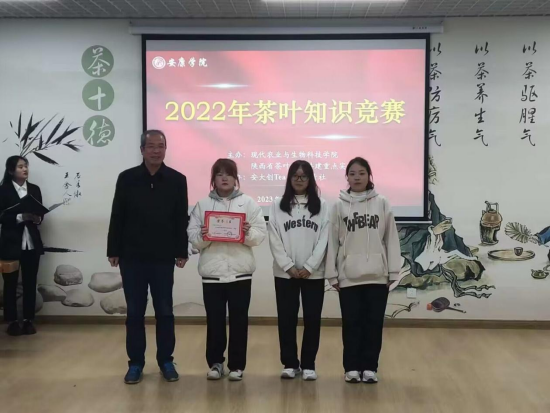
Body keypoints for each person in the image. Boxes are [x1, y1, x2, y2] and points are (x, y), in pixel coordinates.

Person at [107, 130, 189, 385]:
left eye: (160, 146)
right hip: (132, 257)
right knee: (134, 312)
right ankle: (135, 363)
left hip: (163, 257)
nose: (156, 151)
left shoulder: (177, 179)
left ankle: (166, 361)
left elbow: (180, 218)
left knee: (164, 311)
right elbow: (117, 214)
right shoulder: (127, 178)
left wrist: (181, 251)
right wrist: (113, 249)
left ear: (166, 149)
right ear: (142, 150)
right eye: (151, 146)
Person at [188, 159, 266, 382]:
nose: (224, 178)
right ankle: (216, 363)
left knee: (239, 321)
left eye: (229, 174)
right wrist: (204, 235)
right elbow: (193, 237)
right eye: (219, 174)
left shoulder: (248, 203)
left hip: (240, 273)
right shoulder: (202, 204)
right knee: (215, 322)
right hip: (212, 274)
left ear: (235, 178)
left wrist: (246, 233)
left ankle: (237, 366)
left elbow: (259, 235)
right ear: (213, 179)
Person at [325, 157, 401, 384]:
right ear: (346, 177)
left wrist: (393, 272)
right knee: (351, 324)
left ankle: (369, 368)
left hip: (377, 276)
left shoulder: (382, 202)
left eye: (361, 173)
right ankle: (351, 368)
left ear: (369, 176)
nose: (357, 177)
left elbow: (391, 238)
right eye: (352, 174)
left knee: (373, 324)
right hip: (348, 276)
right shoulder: (338, 206)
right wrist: (332, 274)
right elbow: (332, 241)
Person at [268, 160, 329, 381]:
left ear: (310, 179)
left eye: (304, 176)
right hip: (285, 274)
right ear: (289, 178)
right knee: (286, 319)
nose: (299, 179)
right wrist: (288, 266)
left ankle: (309, 364)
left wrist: (311, 266)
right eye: (295, 175)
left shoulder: (322, 205)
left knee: (312, 319)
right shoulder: (277, 205)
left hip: (314, 274)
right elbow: (274, 237)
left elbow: (324, 238)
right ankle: (290, 363)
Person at [0, 156, 44, 336]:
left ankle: (28, 320)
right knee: (10, 284)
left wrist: (37, 218)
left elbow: (40, 213)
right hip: (10, 242)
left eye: (26, 166)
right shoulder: (3, 190)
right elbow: (1, 216)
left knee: (30, 282)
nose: (25, 169)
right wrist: (20, 217)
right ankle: (11, 322)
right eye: (20, 167)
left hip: (31, 242)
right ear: (11, 171)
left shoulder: (34, 189)